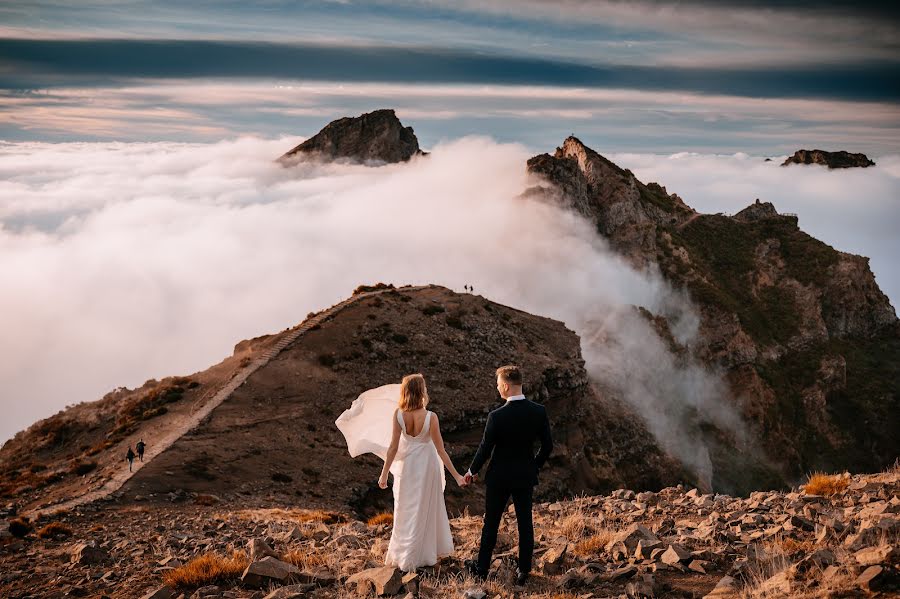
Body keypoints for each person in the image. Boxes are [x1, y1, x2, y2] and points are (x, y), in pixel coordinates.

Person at [335, 374, 467, 572]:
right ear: (422, 392)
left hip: (407, 466)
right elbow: (441, 450)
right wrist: (456, 475)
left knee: (405, 509)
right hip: (426, 465)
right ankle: (421, 555)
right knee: (423, 508)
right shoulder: (431, 417)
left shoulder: (398, 414)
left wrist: (384, 473)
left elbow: (393, 448)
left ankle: (403, 555)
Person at [464, 365, 553, 585]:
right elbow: (548, 445)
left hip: (499, 478)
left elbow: (485, 448)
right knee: (525, 523)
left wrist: (471, 471)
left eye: (498, 385)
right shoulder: (538, 411)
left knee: (491, 523)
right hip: (525, 476)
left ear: (505, 385)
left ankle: (482, 569)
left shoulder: (496, 416)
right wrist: (534, 466)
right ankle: (524, 571)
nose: (497, 389)